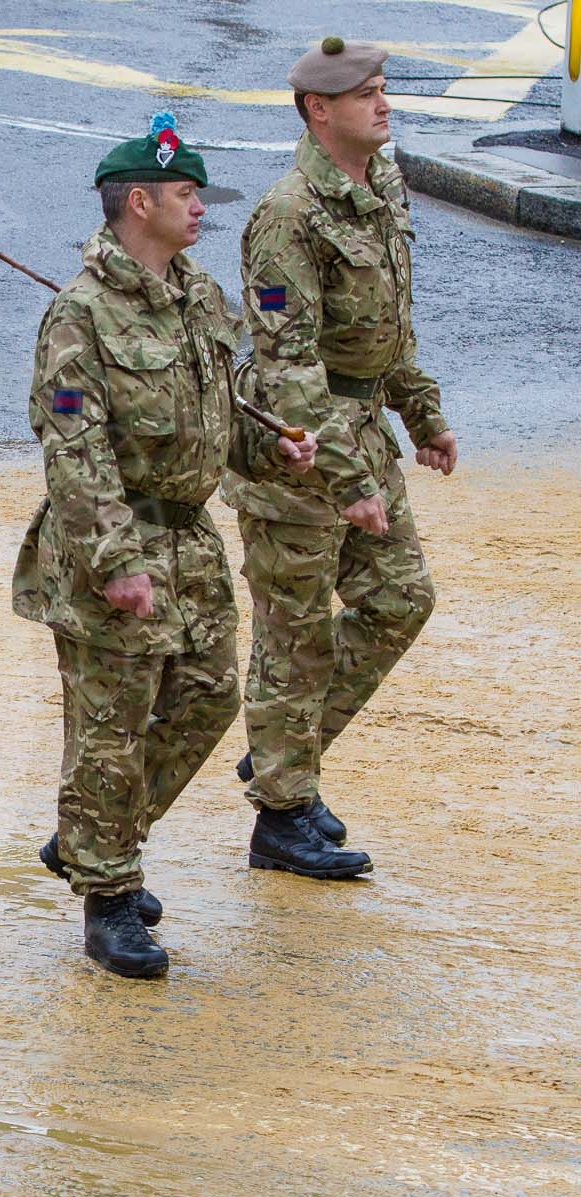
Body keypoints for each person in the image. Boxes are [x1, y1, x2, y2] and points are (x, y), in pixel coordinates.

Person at [17, 116, 320, 978]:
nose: (200, 208)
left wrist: (273, 446)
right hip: (115, 545)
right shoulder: (79, 316)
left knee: (208, 697)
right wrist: (117, 560)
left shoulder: (198, 296)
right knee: (109, 729)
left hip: (189, 540)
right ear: (138, 203)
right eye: (187, 195)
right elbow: (74, 451)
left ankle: (92, 833)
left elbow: (220, 411)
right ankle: (109, 898)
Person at [225, 36, 459, 879]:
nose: (385, 105)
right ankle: (281, 819)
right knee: (292, 632)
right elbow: (287, 364)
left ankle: (285, 755)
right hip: (299, 448)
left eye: (385, 90)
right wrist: (347, 479)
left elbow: (386, 321)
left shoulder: (380, 185)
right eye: (367, 95)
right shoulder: (288, 217)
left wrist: (420, 411)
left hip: (362, 427)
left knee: (400, 598)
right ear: (320, 111)